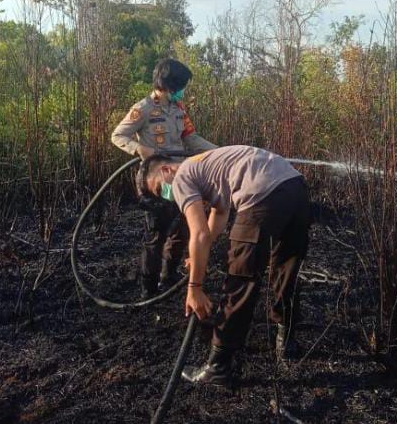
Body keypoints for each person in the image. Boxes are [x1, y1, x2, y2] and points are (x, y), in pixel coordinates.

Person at [136, 145, 310, 386]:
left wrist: (194, 288)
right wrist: (199, 254)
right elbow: (219, 213)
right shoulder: (204, 165)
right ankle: (287, 340)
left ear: (166, 170)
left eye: (160, 188)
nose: (167, 194)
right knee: (286, 268)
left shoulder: (181, 176)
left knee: (240, 276)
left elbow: (199, 235)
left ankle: (219, 366)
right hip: (296, 187)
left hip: (261, 192)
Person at [112, 59, 217, 299]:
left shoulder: (179, 109)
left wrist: (220, 151)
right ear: (171, 83)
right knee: (157, 233)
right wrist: (140, 149)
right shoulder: (144, 109)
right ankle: (147, 289)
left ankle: (168, 275)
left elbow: (191, 138)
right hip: (155, 183)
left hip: (181, 178)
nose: (184, 90)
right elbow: (118, 135)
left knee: (183, 227)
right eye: (182, 85)